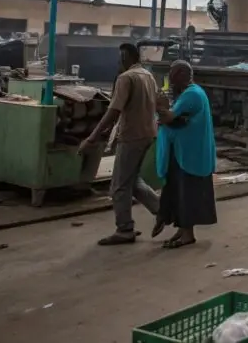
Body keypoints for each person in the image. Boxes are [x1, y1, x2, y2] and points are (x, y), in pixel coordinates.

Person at [79, 43, 160, 245]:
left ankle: (124, 229)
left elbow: (114, 110)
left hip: (132, 136)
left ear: (125, 58)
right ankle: (163, 210)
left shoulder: (126, 78)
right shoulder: (148, 75)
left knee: (118, 186)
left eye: (119, 59)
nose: (117, 63)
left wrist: (92, 138)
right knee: (132, 181)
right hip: (147, 134)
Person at [153, 60, 217, 248]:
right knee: (179, 191)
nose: (170, 79)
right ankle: (182, 229)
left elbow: (168, 117)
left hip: (189, 155)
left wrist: (159, 105)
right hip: (185, 153)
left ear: (181, 74)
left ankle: (187, 234)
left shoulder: (192, 95)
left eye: (172, 74)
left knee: (186, 193)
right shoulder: (193, 92)